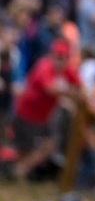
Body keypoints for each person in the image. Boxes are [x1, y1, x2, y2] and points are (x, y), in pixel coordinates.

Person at [12, 39, 80, 180]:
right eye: (58, 56)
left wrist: (75, 92)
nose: (60, 61)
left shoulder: (67, 70)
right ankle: (18, 173)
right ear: (52, 55)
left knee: (50, 145)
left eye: (63, 57)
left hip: (43, 118)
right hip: (26, 113)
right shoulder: (44, 66)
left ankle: (19, 170)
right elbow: (50, 89)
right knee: (24, 149)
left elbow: (80, 86)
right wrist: (72, 93)